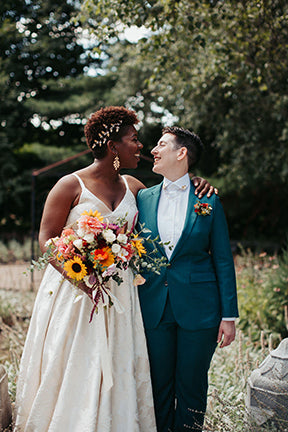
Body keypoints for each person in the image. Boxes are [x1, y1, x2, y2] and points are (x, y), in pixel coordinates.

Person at [14, 107, 214, 432]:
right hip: (76, 292)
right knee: (76, 362)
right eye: (134, 139)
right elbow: (47, 239)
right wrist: (83, 278)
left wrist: (195, 181)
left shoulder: (134, 186)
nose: (141, 146)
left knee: (120, 365)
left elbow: (172, 195)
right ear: (113, 147)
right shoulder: (70, 185)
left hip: (121, 294)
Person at [136, 126, 239, 432]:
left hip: (200, 310)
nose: (153, 150)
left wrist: (228, 315)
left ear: (181, 153)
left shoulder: (208, 200)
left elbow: (222, 258)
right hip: (154, 306)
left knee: (192, 388)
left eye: (161, 144)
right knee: (159, 387)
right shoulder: (141, 197)